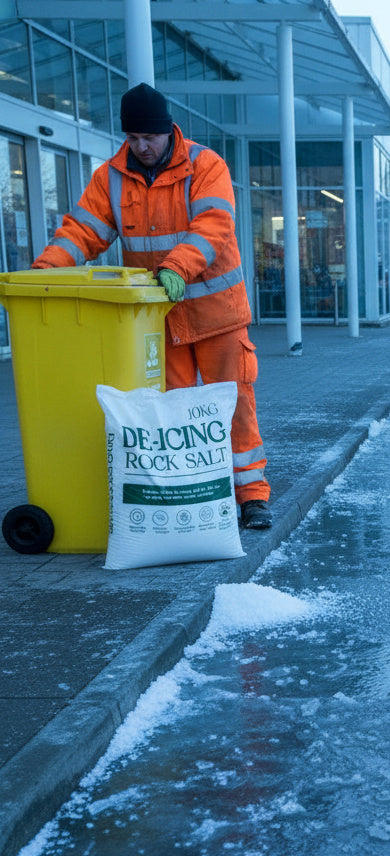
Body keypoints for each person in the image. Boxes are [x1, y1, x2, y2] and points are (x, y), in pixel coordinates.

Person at [31, 83, 272, 529]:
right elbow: (83, 231)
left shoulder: (206, 165)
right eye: (133, 138)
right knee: (174, 414)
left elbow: (213, 225)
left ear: (168, 132)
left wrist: (177, 267)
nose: (141, 147)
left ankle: (251, 495)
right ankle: (189, 493)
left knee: (234, 404)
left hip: (217, 315)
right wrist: (45, 271)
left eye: (150, 138)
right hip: (159, 319)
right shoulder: (110, 177)